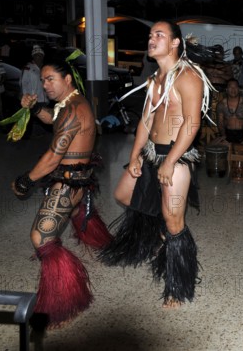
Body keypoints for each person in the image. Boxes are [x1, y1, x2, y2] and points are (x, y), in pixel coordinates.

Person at [100, 20, 214, 309]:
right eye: (150, 35)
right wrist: (136, 155)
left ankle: (177, 284)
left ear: (175, 43)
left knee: (174, 222)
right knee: (123, 194)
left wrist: (171, 161)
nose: (152, 39)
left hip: (177, 156)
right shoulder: (154, 80)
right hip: (152, 152)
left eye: (159, 35)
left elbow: (192, 123)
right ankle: (160, 237)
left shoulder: (188, 76)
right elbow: (146, 121)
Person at [11, 50, 112, 329]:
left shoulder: (72, 109)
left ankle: (65, 301)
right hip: (80, 180)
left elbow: (53, 157)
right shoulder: (73, 103)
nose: (45, 85)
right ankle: (99, 241)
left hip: (68, 182)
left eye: (50, 79)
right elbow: (54, 122)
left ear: (67, 78)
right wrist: (33, 109)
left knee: (40, 237)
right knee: (77, 212)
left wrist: (25, 181)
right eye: (43, 80)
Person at [215, 78, 243, 144]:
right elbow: (220, 123)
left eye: (235, 87)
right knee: (212, 146)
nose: (233, 89)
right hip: (227, 134)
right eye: (230, 87)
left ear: (239, 89)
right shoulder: (221, 105)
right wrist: (223, 135)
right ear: (226, 90)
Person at [20, 45, 48, 136]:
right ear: (33, 56)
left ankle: (42, 134)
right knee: (33, 117)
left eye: (40, 55)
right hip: (33, 98)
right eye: (36, 55)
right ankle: (30, 135)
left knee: (44, 117)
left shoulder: (45, 68)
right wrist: (26, 97)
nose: (38, 57)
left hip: (44, 98)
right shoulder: (28, 68)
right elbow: (23, 83)